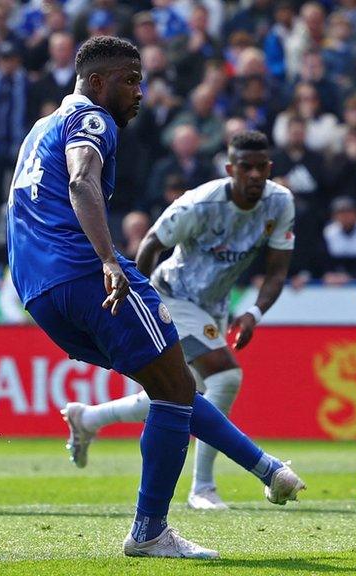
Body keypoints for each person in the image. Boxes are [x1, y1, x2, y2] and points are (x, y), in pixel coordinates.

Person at [5, 37, 303, 559]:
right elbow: (81, 179)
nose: (140, 92)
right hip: (83, 273)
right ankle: (150, 530)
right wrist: (105, 259)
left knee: (173, 387)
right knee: (175, 388)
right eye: (130, 79)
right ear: (98, 82)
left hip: (39, 292)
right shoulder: (91, 120)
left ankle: (268, 470)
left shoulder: (39, 129)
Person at [60, 130, 297, 511]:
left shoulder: (280, 203)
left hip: (214, 307)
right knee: (226, 376)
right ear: (230, 169)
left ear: (270, 168)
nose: (255, 176)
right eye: (246, 168)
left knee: (180, 394)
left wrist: (253, 312)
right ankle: (203, 486)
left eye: (262, 168)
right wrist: (139, 307)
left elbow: (277, 270)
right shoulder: (199, 204)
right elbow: (152, 244)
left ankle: (88, 418)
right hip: (171, 295)